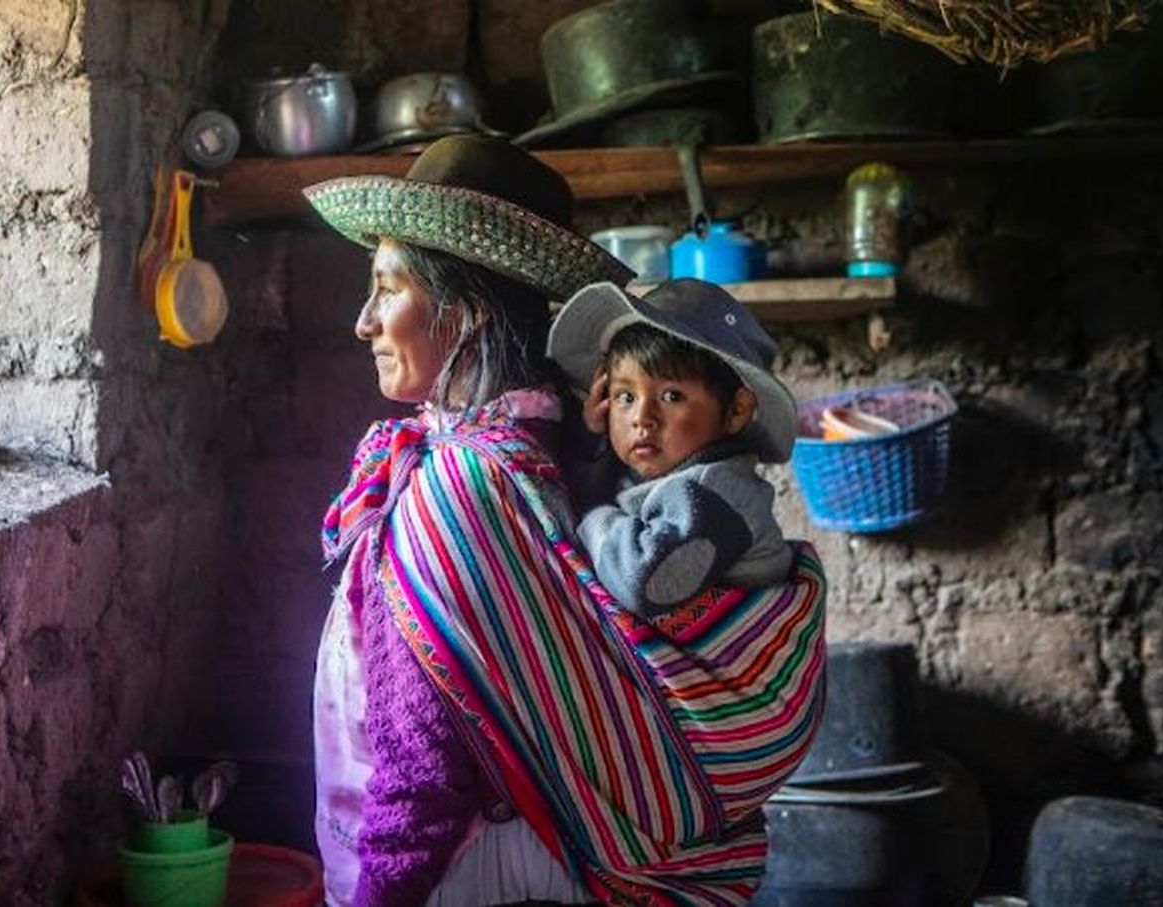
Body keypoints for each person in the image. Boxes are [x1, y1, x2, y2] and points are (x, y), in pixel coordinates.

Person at [305, 135, 827, 907]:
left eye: (388, 289)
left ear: (469, 313)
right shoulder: (555, 451)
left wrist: (376, 895)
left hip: (467, 874)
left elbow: (424, 764)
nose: (365, 321)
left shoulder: (463, 487)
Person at [546, 279, 796, 619]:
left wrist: (590, 516)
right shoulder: (668, 470)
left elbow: (643, 582)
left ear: (736, 411)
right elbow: (605, 484)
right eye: (625, 397)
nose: (641, 418)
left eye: (671, 396)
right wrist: (592, 435)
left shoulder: (716, 488)